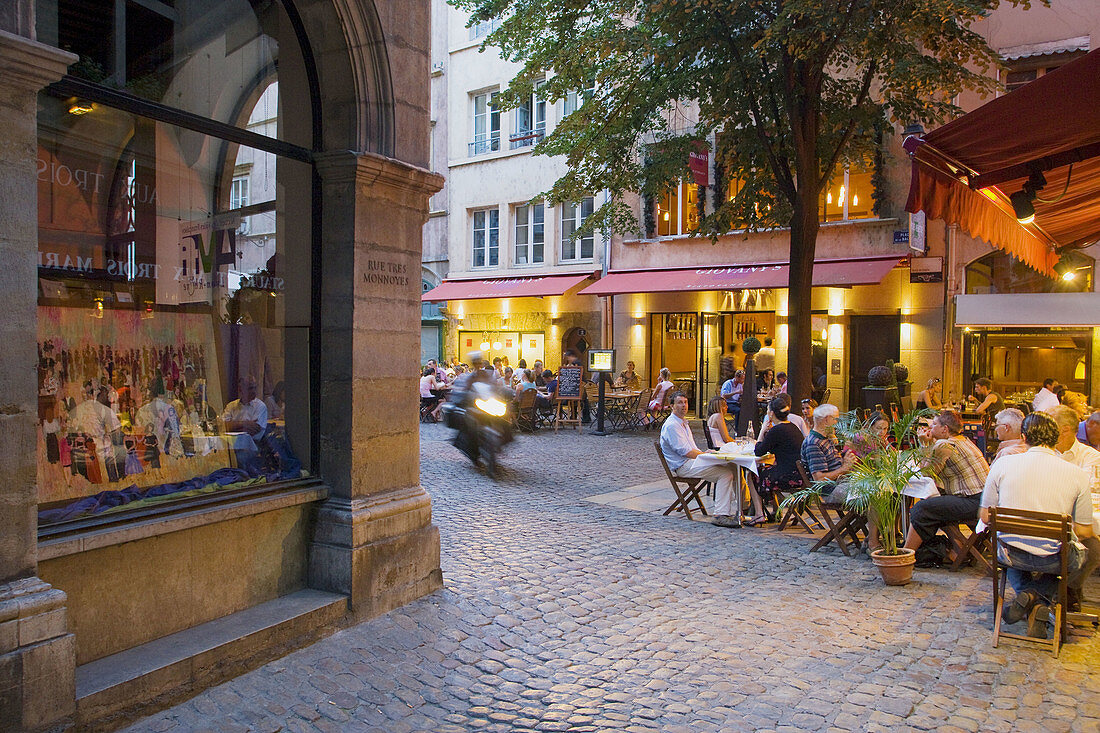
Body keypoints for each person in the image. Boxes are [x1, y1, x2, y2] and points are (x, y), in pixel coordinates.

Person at [981, 412, 1094, 637]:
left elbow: (986, 516)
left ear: (1023, 437)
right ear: (1055, 439)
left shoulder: (1003, 463)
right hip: (1054, 558)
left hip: (1010, 553)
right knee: (1080, 553)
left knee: (1012, 549)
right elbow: (1083, 530)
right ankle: (1039, 600)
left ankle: (1029, 596)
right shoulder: (1077, 474)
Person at [660, 391, 764, 528]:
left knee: (733, 465)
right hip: (683, 466)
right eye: (679, 403)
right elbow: (686, 452)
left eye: (685, 402)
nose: (684, 406)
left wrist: (706, 454)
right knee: (725, 474)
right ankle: (720, 514)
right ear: (671, 406)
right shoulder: (672, 425)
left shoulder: (682, 423)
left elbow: (692, 450)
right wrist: (707, 456)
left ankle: (745, 507)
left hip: (692, 461)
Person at [903, 410, 989, 555]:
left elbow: (926, 473)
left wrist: (924, 445)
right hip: (984, 500)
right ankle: (957, 551)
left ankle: (906, 554)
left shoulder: (944, 445)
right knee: (936, 505)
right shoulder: (962, 440)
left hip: (974, 502)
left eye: (934, 424)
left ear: (945, 429)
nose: (930, 428)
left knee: (922, 509)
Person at [800, 403, 857, 505]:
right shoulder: (813, 443)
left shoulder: (826, 438)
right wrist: (844, 468)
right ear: (826, 420)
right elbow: (819, 479)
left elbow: (834, 464)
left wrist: (847, 458)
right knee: (872, 495)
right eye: (835, 420)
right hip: (832, 491)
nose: (837, 423)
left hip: (842, 484)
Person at [755, 396, 805, 507]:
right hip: (800, 474)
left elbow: (758, 451)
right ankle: (774, 510)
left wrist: (762, 430)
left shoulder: (777, 430)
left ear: (772, 413)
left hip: (789, 476)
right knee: (767, 470)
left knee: (754, 474)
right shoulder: (792, 427)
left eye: (768, 410)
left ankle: (759, 513)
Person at [223, 375, 269, 468]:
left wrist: (232, 425)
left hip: (252, 446)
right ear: (241, 389)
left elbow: (255, 431)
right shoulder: (231, 406)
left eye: (255, 387)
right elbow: (222, 427)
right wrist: (244, 424)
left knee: (238, 458)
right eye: (250, 388)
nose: (254, 391)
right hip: (230, 446)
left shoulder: (260, 407)